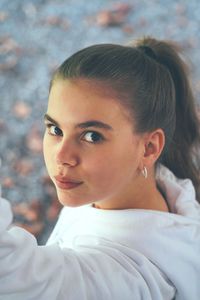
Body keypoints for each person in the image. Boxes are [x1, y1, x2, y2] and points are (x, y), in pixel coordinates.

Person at [0, 36, 200, 300]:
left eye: (92, 136)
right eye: (56, 129)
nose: (62, 156)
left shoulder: (130, 278)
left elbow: (15, 276)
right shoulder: (136, 184)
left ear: (149, 148)